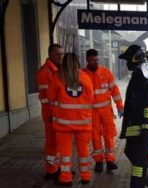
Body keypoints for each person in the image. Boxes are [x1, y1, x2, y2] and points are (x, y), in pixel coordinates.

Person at [47, 53, 94, 186]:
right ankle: (86, 176)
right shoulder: (85, 78)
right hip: (83, 123)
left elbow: (50, 98)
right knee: (84, 151)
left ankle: (66, 177)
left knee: (65, 153)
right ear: (78, 62)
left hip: (63, 124)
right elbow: (91, 99)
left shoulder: (57, 77)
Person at [118, 45, 148, 188]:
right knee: (130, 151)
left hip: (143, 127)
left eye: (128, 60)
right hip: (135, 126)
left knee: (138, 163)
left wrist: (147, 127)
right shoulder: (138, 73)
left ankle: (137, 184)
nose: (127, 64)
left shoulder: (144, 74)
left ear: (135, 58)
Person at [82, 49, 124, 172]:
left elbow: (115, 91)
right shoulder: (83, 75)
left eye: (97, 59)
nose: (96, 62)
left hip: (106, 111)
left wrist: (120, 106)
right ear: (87, 60)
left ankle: (110, 160)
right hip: (91, 112)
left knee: (109, 134)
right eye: (93, 60)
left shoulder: (106, 73)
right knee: (95, 137)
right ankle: (99, 161)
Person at [36, 43, 63, 180]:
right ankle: (51, 170)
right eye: (57, 53)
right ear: (50, 54)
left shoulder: (55, 70)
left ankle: (56, 168)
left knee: (57, 143)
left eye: (61, 54)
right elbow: (49, 96)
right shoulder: (45, 72)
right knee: (52, 143)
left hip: (57, 114)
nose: (60, 56)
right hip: (51, 114)